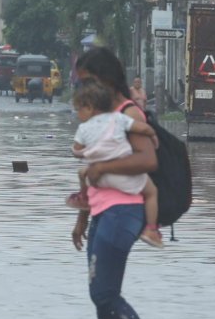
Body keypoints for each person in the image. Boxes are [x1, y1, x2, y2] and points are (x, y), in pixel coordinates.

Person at [71, 47, 158, 319]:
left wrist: (103, 168)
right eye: (81, 84)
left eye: (89, 81)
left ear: (106, 79)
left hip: (124, 212)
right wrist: (82, 218)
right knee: (102, 297)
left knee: (104, 294)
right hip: (101, 213)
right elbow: (94, 175)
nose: (85, 90)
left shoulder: (128, 114)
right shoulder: (100, 116)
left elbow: (148, 160)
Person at [68, 80, 164, 249]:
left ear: (90, 108)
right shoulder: (119, 119)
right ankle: (151, 229)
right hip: (122, 176)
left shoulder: (83, 129)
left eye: (78, 110)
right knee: (151, 192)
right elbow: (143, 129)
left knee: (81, 172)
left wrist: (82, 152)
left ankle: (84, 196)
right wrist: (153, 136)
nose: (77, 114)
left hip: (95, 177)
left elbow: (76, 150)